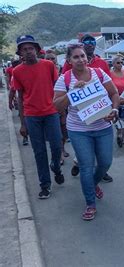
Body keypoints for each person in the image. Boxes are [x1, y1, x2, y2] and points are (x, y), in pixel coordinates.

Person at [53, 44, 121, 221]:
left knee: (105, 162)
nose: (80, 59)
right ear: (69, 60)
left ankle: (92, 183)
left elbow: (114, 94)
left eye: (82, 56)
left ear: (87, 58)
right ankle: (90, 203)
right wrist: (73, 92)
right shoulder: (65, 79)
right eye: (76, 57)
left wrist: (114, 110)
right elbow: (57, 105)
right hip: (79, 130)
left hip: (103, 127)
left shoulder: (99, 74)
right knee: (86, 166)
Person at [11, 35, 64, 199]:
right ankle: (45, 185)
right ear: (20, 53)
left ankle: (56, 166)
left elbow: (58, 89)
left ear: (36, 50)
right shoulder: (17, 71)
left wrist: (62, 112)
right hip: (32, 116)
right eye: (24, 49)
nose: (28, 52)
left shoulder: (48, 65)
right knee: (39, 152)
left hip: (51, 113)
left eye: (30, 48)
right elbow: (20, 97)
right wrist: (23, 123)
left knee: (56, 146)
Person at [64, 34, 113, 183]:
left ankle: (99, 172)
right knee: (86, 155)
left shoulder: (101, 64)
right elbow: (66, 87)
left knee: (102, 157)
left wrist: (110, 109)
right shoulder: (69, 65)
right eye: (87, 42)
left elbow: (110, 89)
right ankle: (81, 165)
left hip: (100, 114)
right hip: (79, 117)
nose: (90, 44)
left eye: (93, 41)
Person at [45, 50, 68, 163]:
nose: (50, 61)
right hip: (49, 107)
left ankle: (62, 148)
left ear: (56, 59)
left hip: (63, 105)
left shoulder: (62, 73)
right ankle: (59, 155)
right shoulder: (42, 72)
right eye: (47, 58)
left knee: (64, 131)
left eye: (52, 58)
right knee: (55, 132)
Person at [110, 54, 124, 144]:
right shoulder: (110, 74)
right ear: (113, 64)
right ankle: (120, 133)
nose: (120, 64)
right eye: (118, 62)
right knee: (119, 116)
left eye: (122, 62)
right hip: (116, 97)